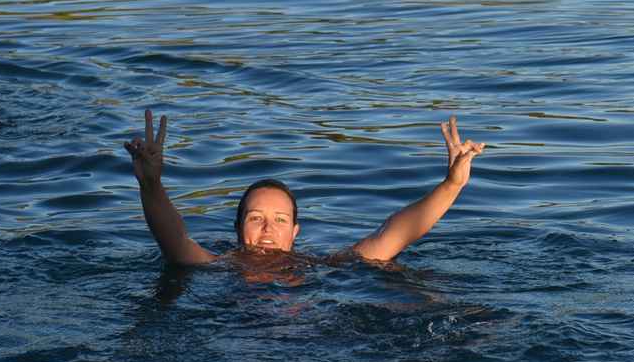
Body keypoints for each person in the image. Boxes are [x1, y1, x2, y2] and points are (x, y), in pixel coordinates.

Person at [123, 108, 484, 265]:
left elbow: (393, 235)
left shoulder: (318, 267)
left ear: (295, 232)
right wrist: (151, 184)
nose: (267, 230)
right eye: (255, 218)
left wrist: (451, 185)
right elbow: (175, 242)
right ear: (237, 229)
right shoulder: (220, 267)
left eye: (280, 220)